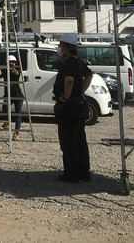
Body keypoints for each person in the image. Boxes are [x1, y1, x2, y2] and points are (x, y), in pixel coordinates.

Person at [53, 33, 93, 183]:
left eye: (61, 45)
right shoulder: (79, 62)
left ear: (67, 47)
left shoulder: (69, 62)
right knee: (80, 140)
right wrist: (80, 91)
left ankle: (71, 174)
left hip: (69, 108)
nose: (59, 48)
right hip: (80, 106)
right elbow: (89, 76)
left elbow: (69, 80)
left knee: (68, 142)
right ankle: (84, 172)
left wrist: (67, 97)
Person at [0, 55, 24, 141]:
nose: (12, 63)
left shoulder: (17, 70)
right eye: (11, 62)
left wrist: (13, 69)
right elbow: (0, 74)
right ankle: (6, 123)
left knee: (18, 115)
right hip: (8, 95)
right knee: (5, 105)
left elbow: (17, 74)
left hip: (18, 95)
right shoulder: (5, 71)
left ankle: (16, 133)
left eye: (14, 62)